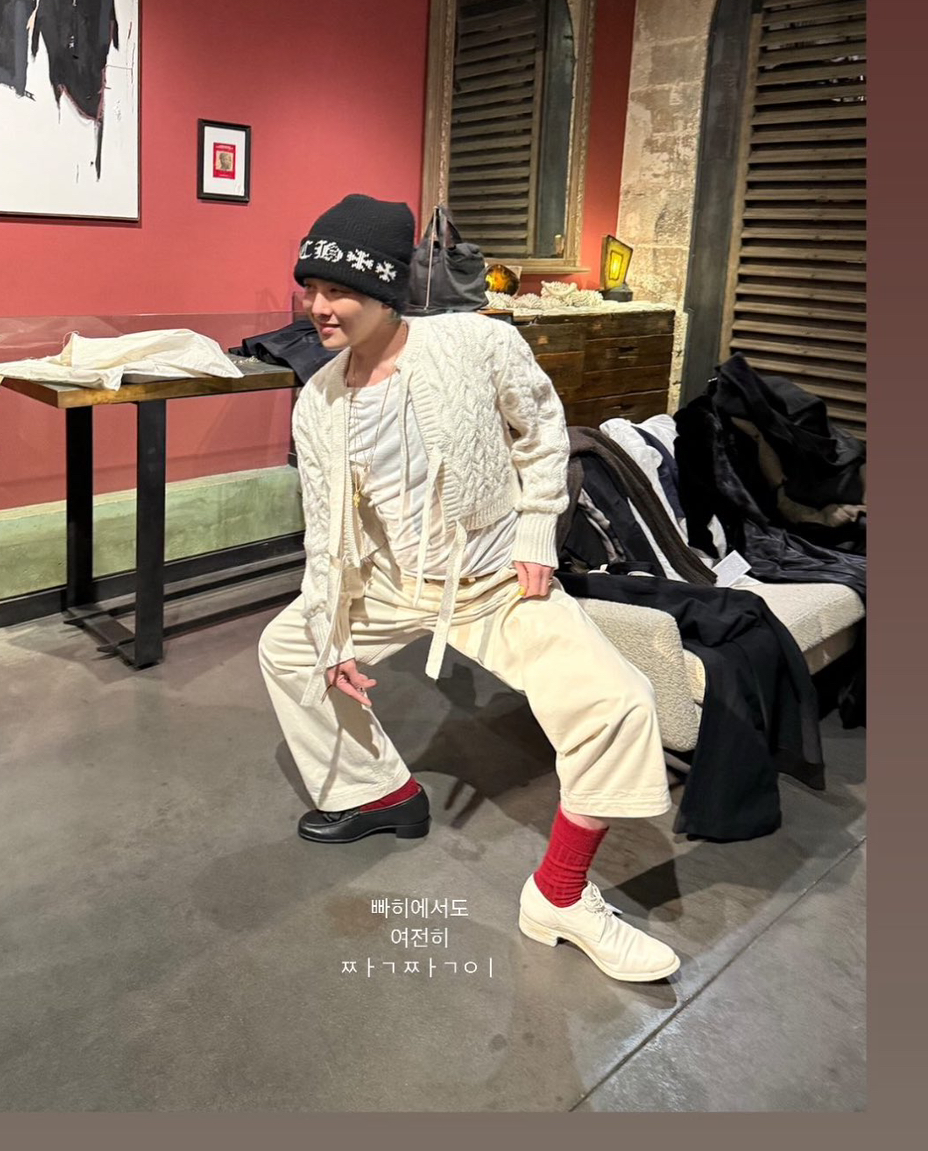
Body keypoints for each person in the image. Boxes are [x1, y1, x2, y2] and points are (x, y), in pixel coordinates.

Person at [258, 194, 680, 983]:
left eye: (338, 290)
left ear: (385, 289)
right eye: (310, 287)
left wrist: (536, 530)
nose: (318, 307)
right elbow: (325, 532)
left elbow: (544, 429)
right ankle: (379, 793)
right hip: (391, 582)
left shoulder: (477, 343)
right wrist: (333, 629)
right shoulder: (319, 401)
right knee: (289, 646)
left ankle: (559, 895)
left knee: (618, 701)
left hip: (490, 583)